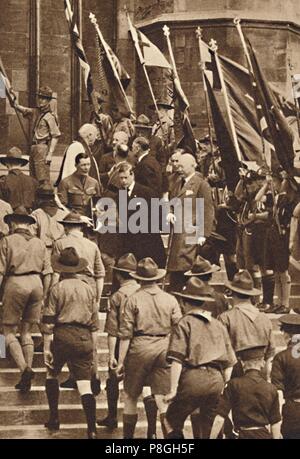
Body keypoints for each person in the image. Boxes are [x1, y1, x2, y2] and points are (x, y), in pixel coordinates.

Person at [116, 257, 182, 439]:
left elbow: (125, 334)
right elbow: (179, 328)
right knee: (163, 398)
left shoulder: (132, 299)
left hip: (140, 347)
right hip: (164, 346)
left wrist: (121, 362)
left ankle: (128, 442)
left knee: (130, 396)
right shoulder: (170, 299)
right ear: (157, 278)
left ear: (138, 278)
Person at [163, 277, 236, 439]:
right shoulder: (218, 324)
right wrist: (225, 386)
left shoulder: (184, 323)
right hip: (217, 379)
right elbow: (230, 362)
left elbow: (177, 358)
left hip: (193, 379)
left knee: (170, 421)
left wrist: (173, 390)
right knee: (211, 427)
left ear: (184, 302)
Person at [42, 247, 100, 439]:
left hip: (62, 335)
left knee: (52, 374)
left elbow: (49, 321)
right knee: (85, 386)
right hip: (83, 337)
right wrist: (95, 352)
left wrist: (46, 348)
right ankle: (91, 428)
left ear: (60, 269)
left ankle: (54, 417)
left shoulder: (56, 289)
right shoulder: (88, 289)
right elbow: (94, 323)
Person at [0, 206, 52, 392]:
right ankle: (27, 372)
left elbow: (0, 270)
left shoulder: (7, 241)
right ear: (29, 224)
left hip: (16, 283)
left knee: (8, 331)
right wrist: (44, 295)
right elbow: (48, 272)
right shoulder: (39, 242)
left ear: (13, 223)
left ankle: (25, 369)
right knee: (27, 331)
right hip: (36, 284)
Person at [52, 211, 105, 389]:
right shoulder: (92, 245)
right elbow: (100, 274)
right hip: (89, 286)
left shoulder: (60, 243)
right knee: (90, 332)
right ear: (81, 227)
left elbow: (55, 271)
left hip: (67, 284)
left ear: (66, 227)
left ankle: (76, 374)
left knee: (68, 327)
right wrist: (97, 298)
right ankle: (94, 373)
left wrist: (51, 293)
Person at [97, 253, 140, 431]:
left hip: (122, 343)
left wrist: (111, 356)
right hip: (142, 344)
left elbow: (112, 330)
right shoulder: (143, 291)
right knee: (145, 386)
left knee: (113, 380)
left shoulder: (117, 296)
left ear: (118, 275)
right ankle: (152, 430)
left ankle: (112, 416)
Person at [210, 346, 281, 439]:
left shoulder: (233, 385)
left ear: (243, 363)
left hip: (242, 435)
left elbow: (220, 418)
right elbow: (275, 423)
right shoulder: (271, 388)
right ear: (262, 363)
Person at [167, 153, 215, 292]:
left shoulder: (201, 184)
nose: (179, 168)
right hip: (177, 232)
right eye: (178, 165)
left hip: (192, 232)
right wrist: (169, 212)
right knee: (176, 266)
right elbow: (171, 200)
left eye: (182, 166)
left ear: (192, 166)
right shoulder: (176, 182)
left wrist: (203, 234)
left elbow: (207, 210)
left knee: (186, 266)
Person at [218, 270, 276, 381]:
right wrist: (268, 379)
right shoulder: (264, 318)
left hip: (236, 372)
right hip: (260, 371)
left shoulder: (226, 318)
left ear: (232, 292)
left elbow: (222, 352)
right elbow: (270, 354)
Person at [117, 163, 166, 268]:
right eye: (121, 178)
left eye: (126, 177)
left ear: (132, 175)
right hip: (130, 241)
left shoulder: (146, 192)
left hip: (147, 241)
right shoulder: (120, 194)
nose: (123, 181)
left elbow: (158, 214)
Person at [12, 86, 61, 183]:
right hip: (34, 147)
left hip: (42, 148)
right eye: (40, 97)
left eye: (44, 98)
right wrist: (14, 102)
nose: (41, 100)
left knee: (42, 179)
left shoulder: (50, 116)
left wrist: (50, 154)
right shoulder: (36, 112)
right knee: (33, 178)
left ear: (48, 101)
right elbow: (24, 110)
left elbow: (55, 135)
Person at [271, 313, 300, 439]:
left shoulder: (281, 357)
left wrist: (277, 419)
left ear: (286, 334)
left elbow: (278, 391)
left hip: (292, 411)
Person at [58, 153, 102, 217]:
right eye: (83, 165)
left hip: (90, 218)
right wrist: (77, 217)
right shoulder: (65, 182)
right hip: (73, 219)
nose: (86, 168)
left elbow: (98, 204)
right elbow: (62, 206)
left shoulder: (94, 182)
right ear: (76, 165)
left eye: (88, 165)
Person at [0, 147, 38, 211]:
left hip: (9, 218)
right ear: (21, 164)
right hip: (29, 217)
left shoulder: (3, 181)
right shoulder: (33, 181)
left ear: (7, 164)